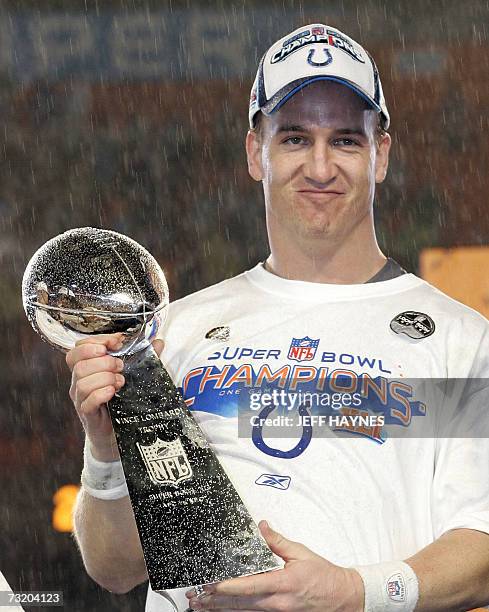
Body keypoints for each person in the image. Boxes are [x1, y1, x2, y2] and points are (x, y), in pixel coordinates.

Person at [66, 23, 489, 612]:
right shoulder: (176, 333)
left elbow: (482, 551)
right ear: (254, 152)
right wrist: (108, 453)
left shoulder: (459, 339)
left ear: (382, 154)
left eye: (346, 140)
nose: (320, 167)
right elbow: (115, 569)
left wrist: (351, 592)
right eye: (294, 139)